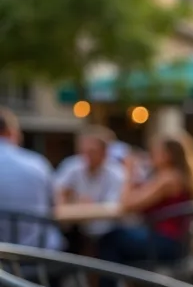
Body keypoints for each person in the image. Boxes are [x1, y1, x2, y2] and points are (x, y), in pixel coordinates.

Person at [97, 131, 193, 287]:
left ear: (167, 155)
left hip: (164, 243)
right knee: (118, 243)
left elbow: (128, 204)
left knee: (110, 241)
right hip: (171, 242)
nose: (150, 156)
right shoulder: (177, 175)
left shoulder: (168, 178)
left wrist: (128, 172)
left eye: (154, 152)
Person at [0, 107, 64, 250]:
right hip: (40, 255)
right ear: (11, 131)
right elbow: (55, 207)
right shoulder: (37, 163)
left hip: (4, 258)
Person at [54, 127, 124, 247]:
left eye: (92, 151)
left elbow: (114, 208)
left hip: (106, 232)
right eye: (83, 151)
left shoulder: (116, 173)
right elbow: (57, 194)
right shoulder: (72, 166)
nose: (86, 156)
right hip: (76, 229)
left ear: (104, 153)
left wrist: (80, 206)